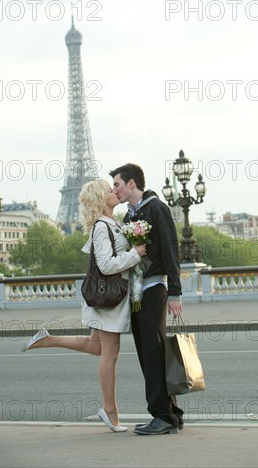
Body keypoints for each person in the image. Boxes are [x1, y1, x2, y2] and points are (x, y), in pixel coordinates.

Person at [21, 179, 147, 433]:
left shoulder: (109, 223)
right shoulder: (102, 227)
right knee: (110, 354)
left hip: (106, 298)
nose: (114, 191)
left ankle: (47, 340)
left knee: (97, 346)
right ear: (101, 199)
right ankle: (110, 412)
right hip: (109, 299)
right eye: (109, 190)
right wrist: (135, 253)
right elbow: (106, 266)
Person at [110, 163, 184, 436]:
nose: (113, 189)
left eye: (117, 183)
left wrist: (175, 291)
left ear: (131, 183)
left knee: (152, 355)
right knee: (150, 354)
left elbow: (170, 249)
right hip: (137, 293)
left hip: (153, 290)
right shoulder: (129, 217)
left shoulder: (156, 207)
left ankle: (162, 416)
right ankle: (172, 414)